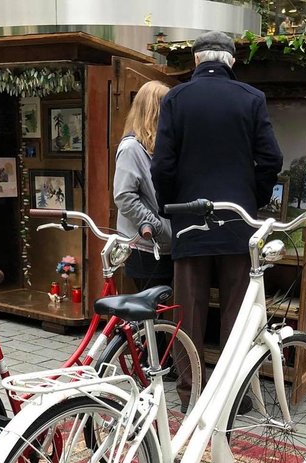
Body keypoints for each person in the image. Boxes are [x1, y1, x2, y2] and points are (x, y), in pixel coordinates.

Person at [151, 30, 283, 409]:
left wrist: (171, 207)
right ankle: (231, 394)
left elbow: (162, 164)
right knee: (237, 313)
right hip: (238, 223)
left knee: (187, 314)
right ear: (231, 61)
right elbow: (271, 158)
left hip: (190, 221)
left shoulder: (176, 99)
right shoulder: (251, 99)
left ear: (195, 61)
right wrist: (251, 199)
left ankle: (191, 394)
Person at [113, 80, 173, 291]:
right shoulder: (131, 148)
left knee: (154, 314)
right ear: (156, 110)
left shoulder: (155, 147)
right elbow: (124, 196)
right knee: (148, 313)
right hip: (145, 245)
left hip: (161, 245)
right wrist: (154, 226)